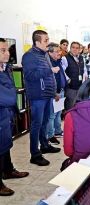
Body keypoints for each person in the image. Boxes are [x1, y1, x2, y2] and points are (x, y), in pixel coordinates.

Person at [22, 30, 61, 166]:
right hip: (38, 96)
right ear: (37, 42)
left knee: (44, 123)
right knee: (36, 125)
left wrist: (54, 92)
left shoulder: (44, 55)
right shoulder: (29, 56)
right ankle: (35, 154)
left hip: (47, 95)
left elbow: (49, 76)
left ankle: (44, 145)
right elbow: (30, 76)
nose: (48, 42)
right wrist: (50, 70)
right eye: (45, 40)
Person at [0, 38, 29, 196]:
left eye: (7, 49)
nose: (7, 53)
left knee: (5, 145)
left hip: (6, 114)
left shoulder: (6, 68)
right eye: (2, 50)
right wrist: (11, 89)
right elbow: (10, 97)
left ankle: (8, 170)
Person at [46, 43, 67, 145]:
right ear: (49, 52)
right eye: (57, 51)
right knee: (51, 115)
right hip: (55, 93)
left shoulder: (58, 61)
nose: (60, 52)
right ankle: (50, 136)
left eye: (59, 50)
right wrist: (55, 92)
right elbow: (51, 80)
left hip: (61, 91)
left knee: (58, 113)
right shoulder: (49, 63)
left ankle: (57, 131)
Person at [62, 41, 86, 111]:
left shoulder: (81, 58)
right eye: (73, 47)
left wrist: (84, 81)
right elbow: (62, 71)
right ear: (70, 48)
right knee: (70, 107)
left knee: (79, 107)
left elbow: (84, 70)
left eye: (77, 48)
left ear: (79, 49)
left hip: (80, 87)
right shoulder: (65, 58)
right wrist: (68, 79)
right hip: (70, 88)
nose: (75, 49)